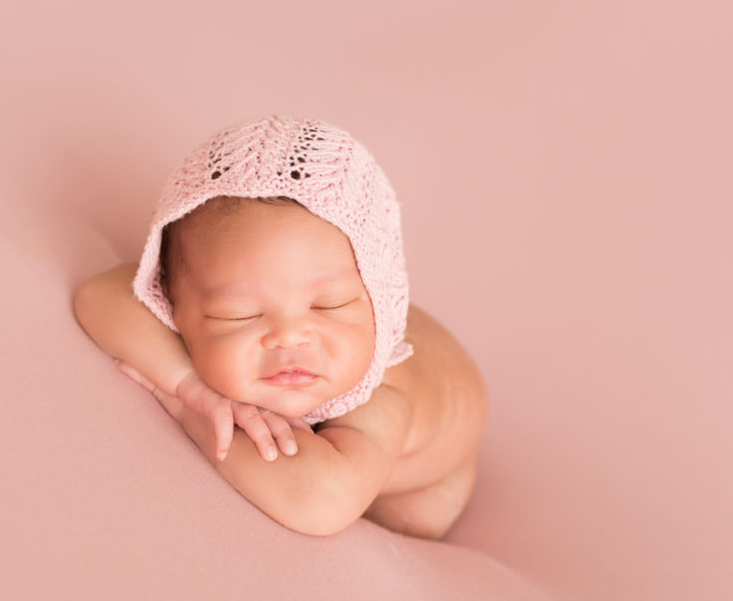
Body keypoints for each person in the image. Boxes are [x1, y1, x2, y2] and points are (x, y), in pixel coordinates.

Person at [73, 115, 487, 540]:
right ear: (172, 302)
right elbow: (99, 295)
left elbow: (321, 503)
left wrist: (185, 411)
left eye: (331, 304)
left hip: (429, 476)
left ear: (381, 302)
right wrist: (190, 384)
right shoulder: (189, 301)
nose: (290, 336)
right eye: (239, 313)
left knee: (409, 524)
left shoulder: (381, 398)